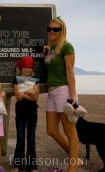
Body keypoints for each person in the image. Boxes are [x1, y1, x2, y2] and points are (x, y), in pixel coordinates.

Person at [43, 17, 85, 172]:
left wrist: (73, 95)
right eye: (50, 29)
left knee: (70, 132)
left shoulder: (67, 47)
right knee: (51, 130)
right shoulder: (51, 49)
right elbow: (51, 66)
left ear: (62, 31)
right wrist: (46, 53)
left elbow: (70, 71)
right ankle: (75, 157)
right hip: (52, 92)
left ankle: (72, 168)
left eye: (56, 29)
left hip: (63, 91)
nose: (52, 32)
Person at [11, 56, 40, 172]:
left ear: (31, 68)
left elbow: (35, 98)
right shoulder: (17, 80)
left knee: (31, 139)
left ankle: (31, 165)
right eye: (25, 67)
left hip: (32, 113)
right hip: (20, 113)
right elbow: (18, 97)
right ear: (21, 68)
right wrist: (30, 92)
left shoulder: (36, 80)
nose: (27, 69)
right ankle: (18, 165)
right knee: (20, 139)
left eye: (29, 67)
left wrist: (24, 92)